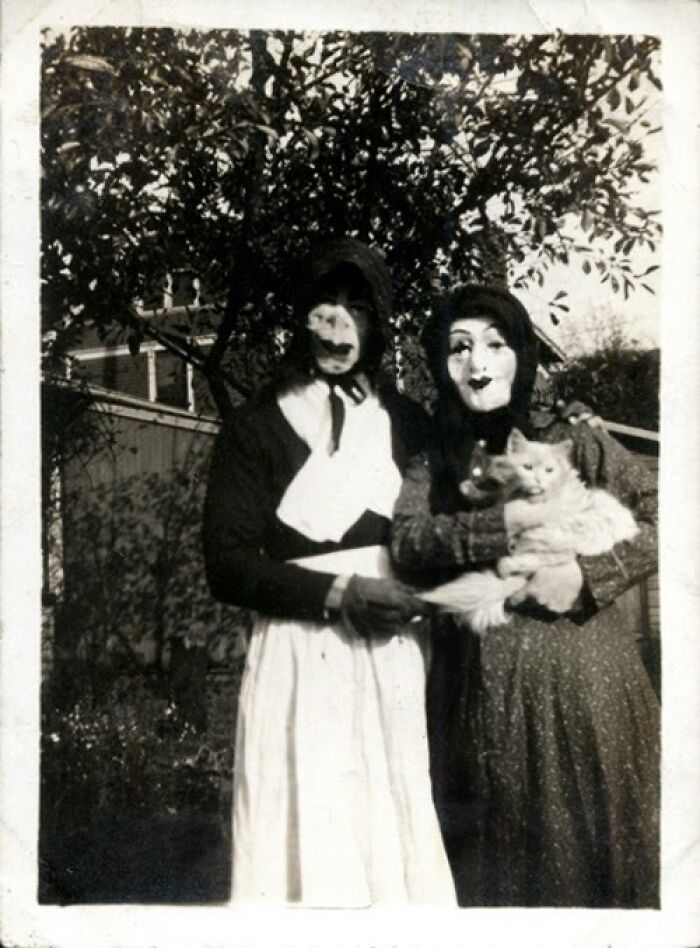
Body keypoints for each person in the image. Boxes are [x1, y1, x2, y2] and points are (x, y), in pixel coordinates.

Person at [202, 237, 457, 906]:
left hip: (392, 655)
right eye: (323, 304)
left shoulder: (406, 423)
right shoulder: (257, 427)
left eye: (357, 308)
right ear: (298, 316)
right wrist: (338, 591)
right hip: (297, 656)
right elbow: (226, 565)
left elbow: (452, 518)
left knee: (388, 824)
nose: (338, 323)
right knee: (305, 826)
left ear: (377, 325)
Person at [390, 283, 659, 908]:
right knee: (507, 878)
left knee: (605, 872)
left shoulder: (575, 438)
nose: (476, 366)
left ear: (523, 356)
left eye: (495, 345)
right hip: (483, 701)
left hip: (588, 687)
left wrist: (589, 579)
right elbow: (409, 542)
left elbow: (668, 516)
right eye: (458, 349)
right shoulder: (433, 464)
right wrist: (500, 524)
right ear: (438, 362)